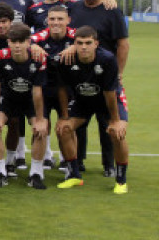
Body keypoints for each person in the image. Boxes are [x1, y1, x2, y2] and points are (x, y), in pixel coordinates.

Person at [61, 0, 129, 178]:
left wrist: (118, 72)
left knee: (107, 121)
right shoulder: (74, 8)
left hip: (105, 72)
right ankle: (78, 161)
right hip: (80, 74)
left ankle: (109, 164)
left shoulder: (112, 10)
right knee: (79, 121)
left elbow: (123, 44)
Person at [54, 26, 130, 194]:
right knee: (63, 129)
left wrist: (115, 121)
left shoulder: (108, 59)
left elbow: (110, 92)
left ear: (96, 43)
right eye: (79, 43)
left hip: (109, 100)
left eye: (88, 43)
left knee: (116, 133)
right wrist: (64, 117)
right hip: (82, 100)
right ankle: (74, 175)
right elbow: (62, 88)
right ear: (73, 44)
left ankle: (121, 180)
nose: (84, 47)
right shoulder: (65, 60)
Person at [0, 23, 50, 189]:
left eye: (21, 41)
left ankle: (35, 173)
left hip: (29, 100)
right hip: (7, 99)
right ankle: (1, 173)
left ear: (29, 42)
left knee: (41, 129)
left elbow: (37, 92)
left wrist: (41, 119)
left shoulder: (39, 58)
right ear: (8, 42)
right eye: (14, 41)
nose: (17, 45)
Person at [30, 5, 74, 170]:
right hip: (44, 88)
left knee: (67, 126)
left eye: (60, 19)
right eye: (52, 19)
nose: (56, 22)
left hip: (68, 90)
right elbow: (27, 40)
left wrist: (76, 47)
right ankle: (42, 161)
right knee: (42, 126)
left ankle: (68, 160)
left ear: (68, 21)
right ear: (47, 21)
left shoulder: (76, 37)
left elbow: (91, 41)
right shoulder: (41, 36)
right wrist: (32, 46)